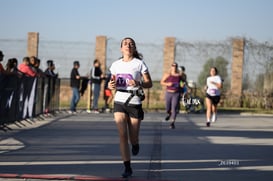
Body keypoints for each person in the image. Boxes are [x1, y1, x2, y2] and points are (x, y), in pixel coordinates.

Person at [108, 37, 153, 178]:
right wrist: (110, 85)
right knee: (122, 135)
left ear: (134, 48)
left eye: (131, 44)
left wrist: (139, 83)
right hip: (119, 101)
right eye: (125, 43)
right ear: (121, 48)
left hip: (134, 102)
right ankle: (127, 167)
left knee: (133, 137)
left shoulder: (139, 64)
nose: (128, 45)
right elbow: (112, 82)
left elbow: (149, 83)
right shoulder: (115, 65)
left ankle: (135, 144)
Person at [160, 62, 182, 129]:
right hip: (169, 93)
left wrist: (182, 85)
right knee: (167, 108)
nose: (174, 67)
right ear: (171, 67)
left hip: (176, 93)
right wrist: (168, 84)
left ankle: (172, 123)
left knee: (174, 108)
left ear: (177, 67)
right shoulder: (167, 74)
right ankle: (169, 113)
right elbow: (162, 82)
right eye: (173, 66)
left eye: (175, 66)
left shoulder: (179, 75)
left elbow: (182, 83)